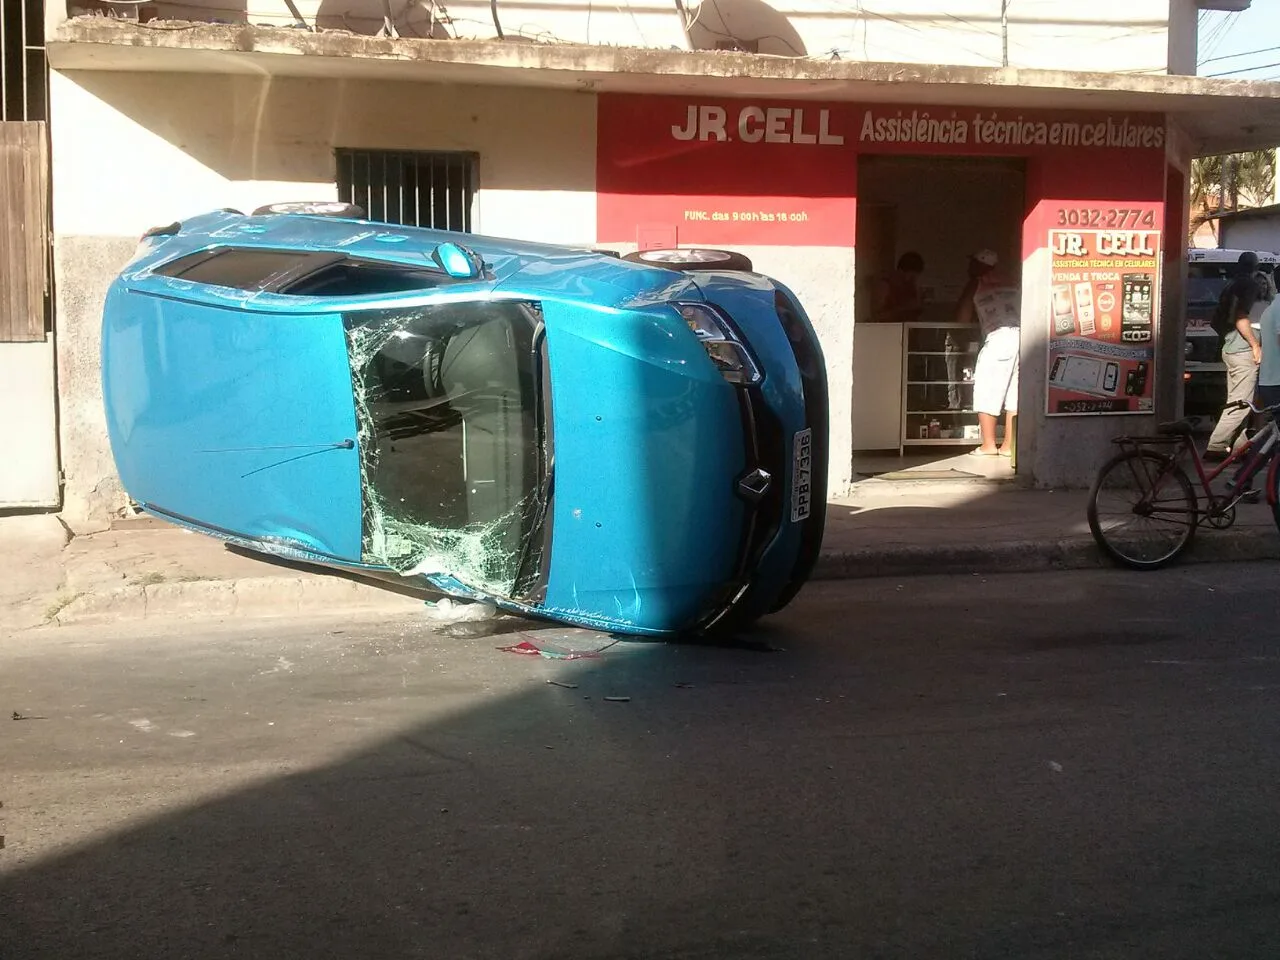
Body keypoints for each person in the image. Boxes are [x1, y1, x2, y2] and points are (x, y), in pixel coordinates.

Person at [955, 249, 1020, 457]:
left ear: (979, 266)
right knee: (1014, 395)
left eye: (972, 263)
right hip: (1022, 335)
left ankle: (988, 445)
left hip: (998, 338)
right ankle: (1009, 446)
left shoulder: (977, 282)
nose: (969, 268)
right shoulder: (1012, 280)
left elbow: (962, 318)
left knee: (987, 389)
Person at [1205, 252, 1264, 459]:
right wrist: (1255, 345)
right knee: (1241, 403)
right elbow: (1241, 317)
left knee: (1238, 401)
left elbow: (1216, 321)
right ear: (1255, 268)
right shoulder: (1249, 285)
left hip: (1231, 349)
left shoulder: (1230, 285)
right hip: (1243, 352)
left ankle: (1240, 448)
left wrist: (1228, 337)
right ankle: (1216, 446)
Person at [870, 251, 925, 323]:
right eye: (911, 277)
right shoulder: (884, 285)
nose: (912, 280)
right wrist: (903, 309)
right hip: (887, 329)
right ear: (901, 271)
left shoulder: (909, 287)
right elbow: (877, 316)